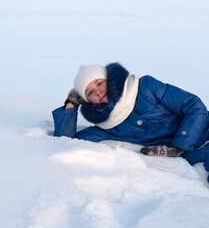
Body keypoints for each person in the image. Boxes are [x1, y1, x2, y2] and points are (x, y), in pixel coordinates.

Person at [52, 62, 209, 182]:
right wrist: (70, 105)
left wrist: (180, 144)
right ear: (89, 101)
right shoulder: (105, 127)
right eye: (89, 92)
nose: (97, 91)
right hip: (195, 153)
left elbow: (193, 106)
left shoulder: (146, 87)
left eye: (99, 83)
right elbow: (66, 141)